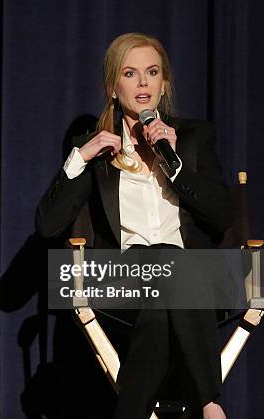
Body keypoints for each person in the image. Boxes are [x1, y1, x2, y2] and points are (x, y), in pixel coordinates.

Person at [36, 33, 232, 419]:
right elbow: (47, 226)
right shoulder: (98, 147)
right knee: (168, 265)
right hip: (123, 280)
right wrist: (80, 158)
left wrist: (174, 164)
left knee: (161, 309)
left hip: (189, 284)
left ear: (164, 84)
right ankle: (210, 403)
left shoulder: (192, 138)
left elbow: (222, 216)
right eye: (130, 73)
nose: (143, 83)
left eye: (152, 72)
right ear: (113, 86)